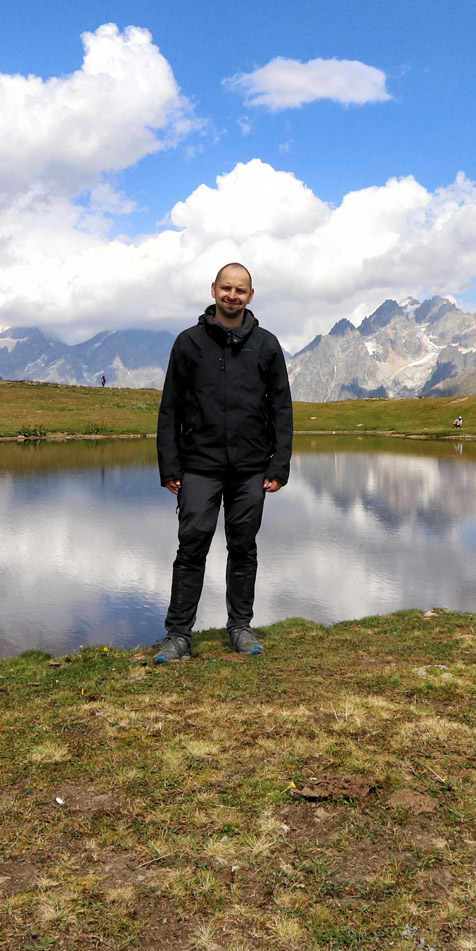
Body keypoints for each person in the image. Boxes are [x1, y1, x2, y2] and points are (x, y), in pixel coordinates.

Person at [152, 262, 294, 663]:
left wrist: (278, 465)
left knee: (243, 546)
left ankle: (240, 628)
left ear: (251, 296)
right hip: (199, 465)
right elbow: (170, 409)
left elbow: (282, 408)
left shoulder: (267, 344)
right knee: (191, 547)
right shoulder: (188, 342)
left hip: (251, 467)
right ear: (213, 289)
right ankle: (178, 635)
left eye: (241, 290)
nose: (233, 295)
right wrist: (170, 467)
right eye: (226, 288)